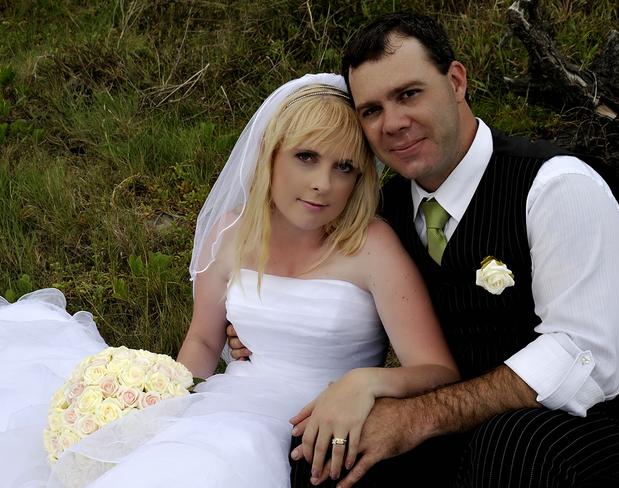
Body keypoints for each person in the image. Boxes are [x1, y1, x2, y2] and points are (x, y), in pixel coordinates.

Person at [228, 13, 619, 487]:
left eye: (409, 94)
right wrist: (260, 328)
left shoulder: (555, 187)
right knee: (319, 453)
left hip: (589, 436)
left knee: (513, 445)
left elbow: (584, 358)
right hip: (457, 429)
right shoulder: (380, 214)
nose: (394, 123)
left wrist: (418, 417)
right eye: (371, 110)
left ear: (455, 81)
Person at [0, 73, 459, 487]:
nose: (323, 183)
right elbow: (203, 341)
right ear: (268, 153)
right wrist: (163, 400)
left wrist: (368, 382)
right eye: (306, 157)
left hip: (311, 427)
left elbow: (437, 370)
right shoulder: (230, 232)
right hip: (226, 402)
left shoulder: (371, 245)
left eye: (344, 168)